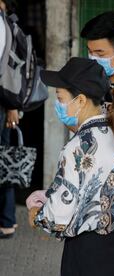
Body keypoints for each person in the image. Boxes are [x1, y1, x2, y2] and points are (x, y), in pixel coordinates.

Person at [25, 57, 114, 276]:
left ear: (80, 100)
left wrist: (36, 214)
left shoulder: (76, 148)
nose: (58, 104)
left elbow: (58, 217)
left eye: (60, 98)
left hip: (87, 254)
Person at [0, 0, 20, 239]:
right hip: (5, 104)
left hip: (3, 103)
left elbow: (7, 70)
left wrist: (12, 106)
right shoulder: (7, 23)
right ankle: (7, 220)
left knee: (4, 162)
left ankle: (7, 220)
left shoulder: (3, 24)